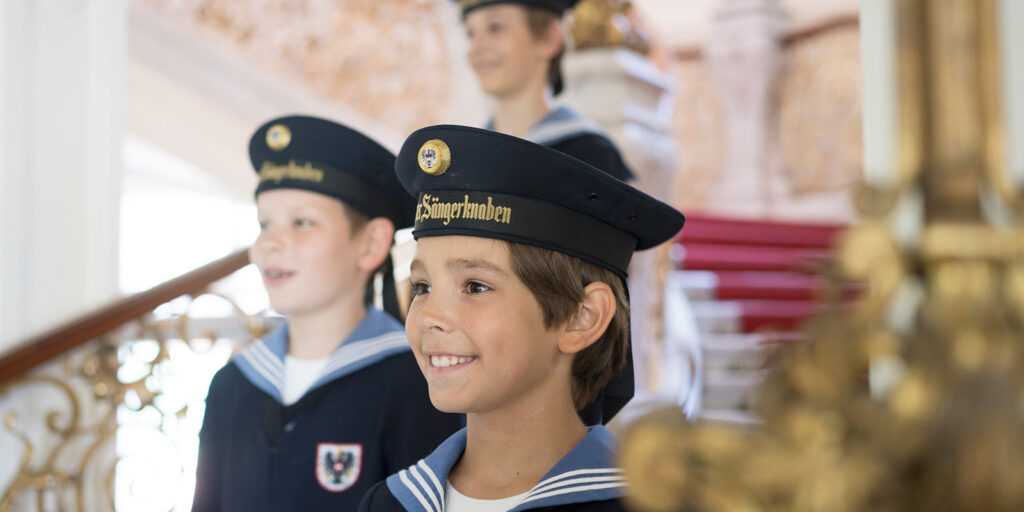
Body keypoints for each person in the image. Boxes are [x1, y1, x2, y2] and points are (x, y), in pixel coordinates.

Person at [357, 125, 684, 511]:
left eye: (476, 286)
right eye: (422, 287)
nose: (430, 316)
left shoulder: (645, 503)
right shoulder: (389, 503)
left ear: (583, 317)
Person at [192, 116, 462, 512]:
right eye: (264, 223)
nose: (269, 243)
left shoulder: (418, 383)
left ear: (371, 243)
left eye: (302, 222)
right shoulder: (232, 385)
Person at [458, 0, 635, 181]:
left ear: (548, 38)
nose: (475, 48)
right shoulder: (466, 156)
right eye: (470, 34)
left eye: (495, 28)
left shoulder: (588, 157)